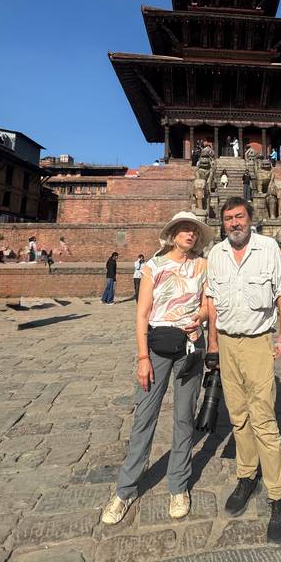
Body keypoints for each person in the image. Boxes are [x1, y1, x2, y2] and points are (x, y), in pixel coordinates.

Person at [102, 211, 214, 525]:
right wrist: (142, 358)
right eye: (184, 229)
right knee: (144, 417)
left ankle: (178, 485)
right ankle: (125, 490)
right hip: (156, 349)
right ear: (172, 233)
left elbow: (208, 303)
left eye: (194, 230)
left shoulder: (203, 266)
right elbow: (141, 315)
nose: (190, 234)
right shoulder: (153, 267)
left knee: (183, 418)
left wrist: (202, 317)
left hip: (191, 346)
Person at [206, 197, 281, 546]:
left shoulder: (268, 247)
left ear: (250, 218)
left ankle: (278, 494)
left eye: (239, 216)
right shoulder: (216, 254)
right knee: (237, 415)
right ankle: (246, 475)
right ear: (223, 223)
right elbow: (211, 299)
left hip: (258, 341)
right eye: (228, 218)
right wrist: (211, 343)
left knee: (264, 421)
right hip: (226, 342)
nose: (234, 223)